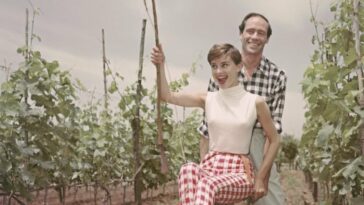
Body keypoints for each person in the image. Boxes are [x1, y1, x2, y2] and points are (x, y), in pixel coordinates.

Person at [151, 43, 280, 205]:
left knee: (207, 184)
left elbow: (275, 140)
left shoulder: (255, 102)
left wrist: (261, 178)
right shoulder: (208, 98)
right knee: (187, 169)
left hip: (239, 172)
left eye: (225, 65)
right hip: (210, 165)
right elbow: (167, 96)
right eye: (214, 66)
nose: (219, 72)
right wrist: (160, 65)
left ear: (239, 66)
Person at [198, 12, 287, 205]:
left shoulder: (276, 76)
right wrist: (205, 167)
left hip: (258, 143)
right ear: (241, 34)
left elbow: (274, 132)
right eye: (250, 31)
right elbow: (206, 128)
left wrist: (262, 175)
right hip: (224, 148)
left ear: (267, 39)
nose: (255, 36)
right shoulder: (222, 71)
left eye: (261, 33)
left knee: (271, 199)